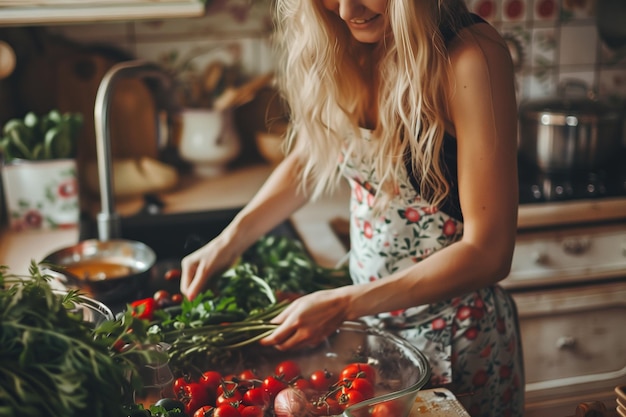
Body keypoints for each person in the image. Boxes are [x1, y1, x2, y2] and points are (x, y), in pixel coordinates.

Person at [180, 1, 525, 416]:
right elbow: (315, 155)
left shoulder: (470, 57)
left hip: (457, 342)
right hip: (375, 334)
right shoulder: (350, 43)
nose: (346, 10)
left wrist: (343, 304)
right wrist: (229, 241)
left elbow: (490, 253)